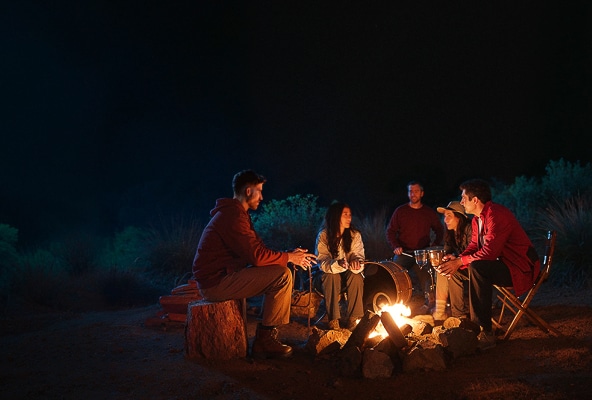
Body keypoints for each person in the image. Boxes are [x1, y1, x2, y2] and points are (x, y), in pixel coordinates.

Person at [192, 169, 317, 359]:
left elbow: (258, 249)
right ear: (248, 191)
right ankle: (265, 339)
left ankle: (266, 336)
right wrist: (289, 258)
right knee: (282, 276)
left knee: (279, 269)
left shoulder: (237, 214)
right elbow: (257, 257)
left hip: (223, 277)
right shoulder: (232, 216)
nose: (262, 196)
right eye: (259, 190)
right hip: (216, 283)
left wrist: (289, 254)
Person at [437, 178, 540, 350]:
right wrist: (456, 261)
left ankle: (484, 331)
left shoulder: (495, 215)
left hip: (520, 267)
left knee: (478, 268)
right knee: (454, 270)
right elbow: (474, 246)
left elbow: (489, 253)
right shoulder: (478, 218)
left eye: (464, 198)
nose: (461, 202)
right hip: (504, 264)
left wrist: (460, 261)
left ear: (475, 200)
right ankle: (461, 320)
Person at [386, 180, 444, 313]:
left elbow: (439, 230)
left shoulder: (428, 212)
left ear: (422, 193)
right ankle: (392, 302)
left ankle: (430, 303)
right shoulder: (400, 211)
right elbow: (390, 231)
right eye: (410, 191)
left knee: (427, 277)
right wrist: (395, 246)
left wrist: (433, 247)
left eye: (416, 191)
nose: (413, 194)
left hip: (422, 252)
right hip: (403, 252)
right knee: (394, 274)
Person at [315, 201, 365, 331]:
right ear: (336, 216)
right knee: (331, 276)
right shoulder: (324, 236)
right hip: (325, 278)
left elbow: (358, 255)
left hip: (346, 277)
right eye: (345, 214)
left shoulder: (355, 235)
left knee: (356, 277)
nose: (349, 218)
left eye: (350, 214)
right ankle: (333, 320)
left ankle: (354, 318)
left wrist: (355, 262)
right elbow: (322, 261)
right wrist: (338, 264)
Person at [433, 201, 472, 322]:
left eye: (449, 215)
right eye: (445, 216)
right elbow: (447, 251)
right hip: (463, 265)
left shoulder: (470, 229)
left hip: (475, 267)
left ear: (459, 217)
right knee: (443, 268)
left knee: (450, 269)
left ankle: (458, 315)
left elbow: (474, 252)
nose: (445, 220)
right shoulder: (450, 234)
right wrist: (445, 258)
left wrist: (456, 259)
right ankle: (441, 312)